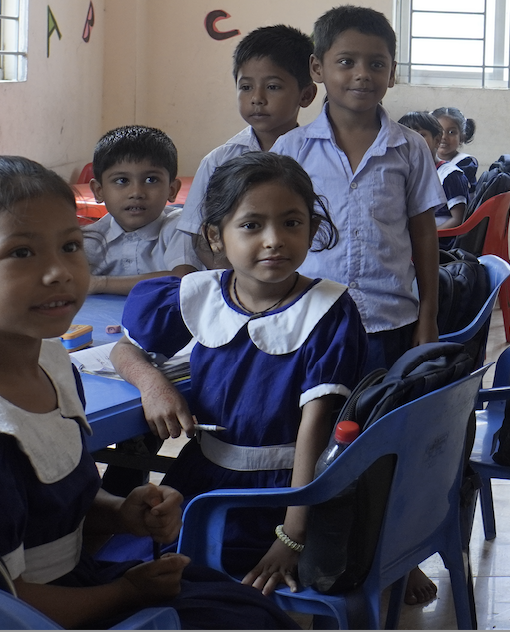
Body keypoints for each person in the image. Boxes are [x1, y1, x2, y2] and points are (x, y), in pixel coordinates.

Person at [0, 155, 291, 628]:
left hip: (77, 585)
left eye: (70, 245)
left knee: (243, 608)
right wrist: (125, 593)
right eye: (21, 252)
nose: (59, 272)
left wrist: (121, 514)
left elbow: (44, 507)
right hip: (32, 616)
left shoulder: (51, 362)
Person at [110, 152, 367, 590]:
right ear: (216, 236)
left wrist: (292, 536)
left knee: (207, 582)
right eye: (251, 225)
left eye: (291, 223)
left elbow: (316, 426)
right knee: (138, 563)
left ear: (312, 229)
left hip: (285, 493)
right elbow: (123, 351)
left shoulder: (328, 310)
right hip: (202, 479)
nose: (274, 240)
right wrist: (153, 383)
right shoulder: (199, 294)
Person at [273, 6, 445, 366]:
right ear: (317, 68)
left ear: (392, 73)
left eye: (377, 64)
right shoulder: (291, 150)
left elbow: (425, 234)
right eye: (346, 62)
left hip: (390, 321)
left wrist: (428, 314)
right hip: (308, 318)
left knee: (376, 417)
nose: (362, 75)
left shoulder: (410, 147)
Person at [174, 25, 320, 268]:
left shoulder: (320, 157)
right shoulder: (219, 161)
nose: (257, 98)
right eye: (246, 87)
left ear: (305, 95)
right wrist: (242, 279)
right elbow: (199, 238)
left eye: (273, 87)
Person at [84, 126, 198, 294]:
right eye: (122, 180)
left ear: (172, 190)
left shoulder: (179, 228)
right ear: (99, 191)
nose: (136, 193)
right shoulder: (90, 238)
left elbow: (183, 280)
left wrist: (99, 284)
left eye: (151, 179)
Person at [400, 110, 470, 230]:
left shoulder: (450, 175)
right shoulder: (406, 172)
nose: (413, 141)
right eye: (406, 136)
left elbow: (458, 219)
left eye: (421, 135)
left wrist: (428, 238)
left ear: (437, 140)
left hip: (442, 242)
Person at [429, 106, 478, 187]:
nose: (444, 137)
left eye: (451, 132)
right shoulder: (425, 160)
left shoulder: (465, 163)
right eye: (438, 131)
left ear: (462, 136)